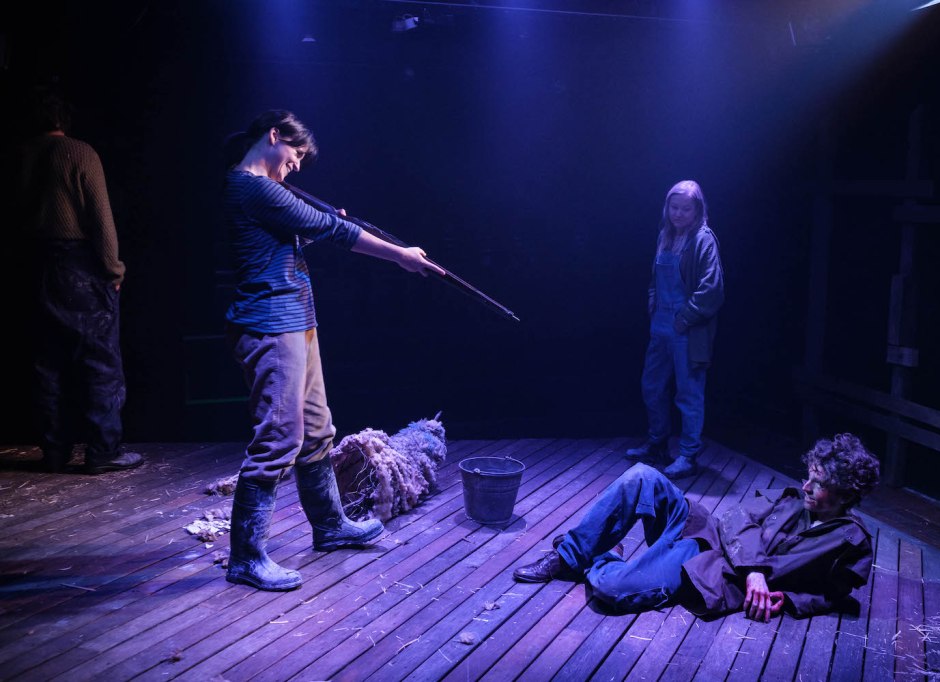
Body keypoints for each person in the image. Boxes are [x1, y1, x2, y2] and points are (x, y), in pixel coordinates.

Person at [220, 110, 445, 591]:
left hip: (297, 320)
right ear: (274, 135)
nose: (297, 165)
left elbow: (286, 241)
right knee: (278, 439)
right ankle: (246, 557)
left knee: (317, 429)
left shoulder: (265, 192)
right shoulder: (252, 187)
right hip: (269, 324)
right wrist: (401, 256)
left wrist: (311, 230)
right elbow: (337, 232)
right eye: (296, 154)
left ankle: (329, 526)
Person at [513, 433, 880, 621]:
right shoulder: (792, 498)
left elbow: (833, 595)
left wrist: (787, 600)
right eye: (809, 476)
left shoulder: (850, 542)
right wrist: (755, 571)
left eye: (819, 483)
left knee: (612, 590)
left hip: (710, 567)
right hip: (704, 527)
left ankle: (606, 553)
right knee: (642, 477)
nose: (806, 486)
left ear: (846, 493)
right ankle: (568, 557)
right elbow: (736, 517)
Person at [16, 86, 143, 475]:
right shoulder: (78, 152)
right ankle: (103, 451)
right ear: (64, 118)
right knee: (99, 360)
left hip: (31, 263)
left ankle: (53, 450)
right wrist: (113, 269)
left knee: (45, 362)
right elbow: (100, 218)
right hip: (78, 265)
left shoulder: (18, 154)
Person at [625, 180, 724, 478]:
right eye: (674, 207)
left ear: (697, 210)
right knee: (652, 386)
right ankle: (657, 444)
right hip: (660, 326)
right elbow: (655, 280)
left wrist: (685, 317)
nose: (678, 214)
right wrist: (652, 303)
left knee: (688, 393)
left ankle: (688, 455)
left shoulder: (703, 240)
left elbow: (712, 289)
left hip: (686, 329)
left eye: (685, 209)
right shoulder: (665, 235)